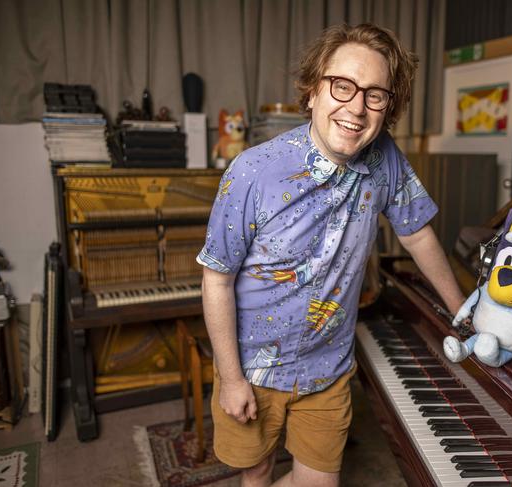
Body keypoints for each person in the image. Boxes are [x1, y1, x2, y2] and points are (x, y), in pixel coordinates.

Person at [196, 23, 465, 487]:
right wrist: (232, 377)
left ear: (387, 108)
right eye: (343, 86)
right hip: (253, 364)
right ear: (312, 91)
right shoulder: (251, 173)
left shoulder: (386, 160)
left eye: (375, 95)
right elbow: (216, 279)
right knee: (256, 474)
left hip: (329, 366)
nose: (357, 108)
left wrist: (462, 309)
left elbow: (417, 234)